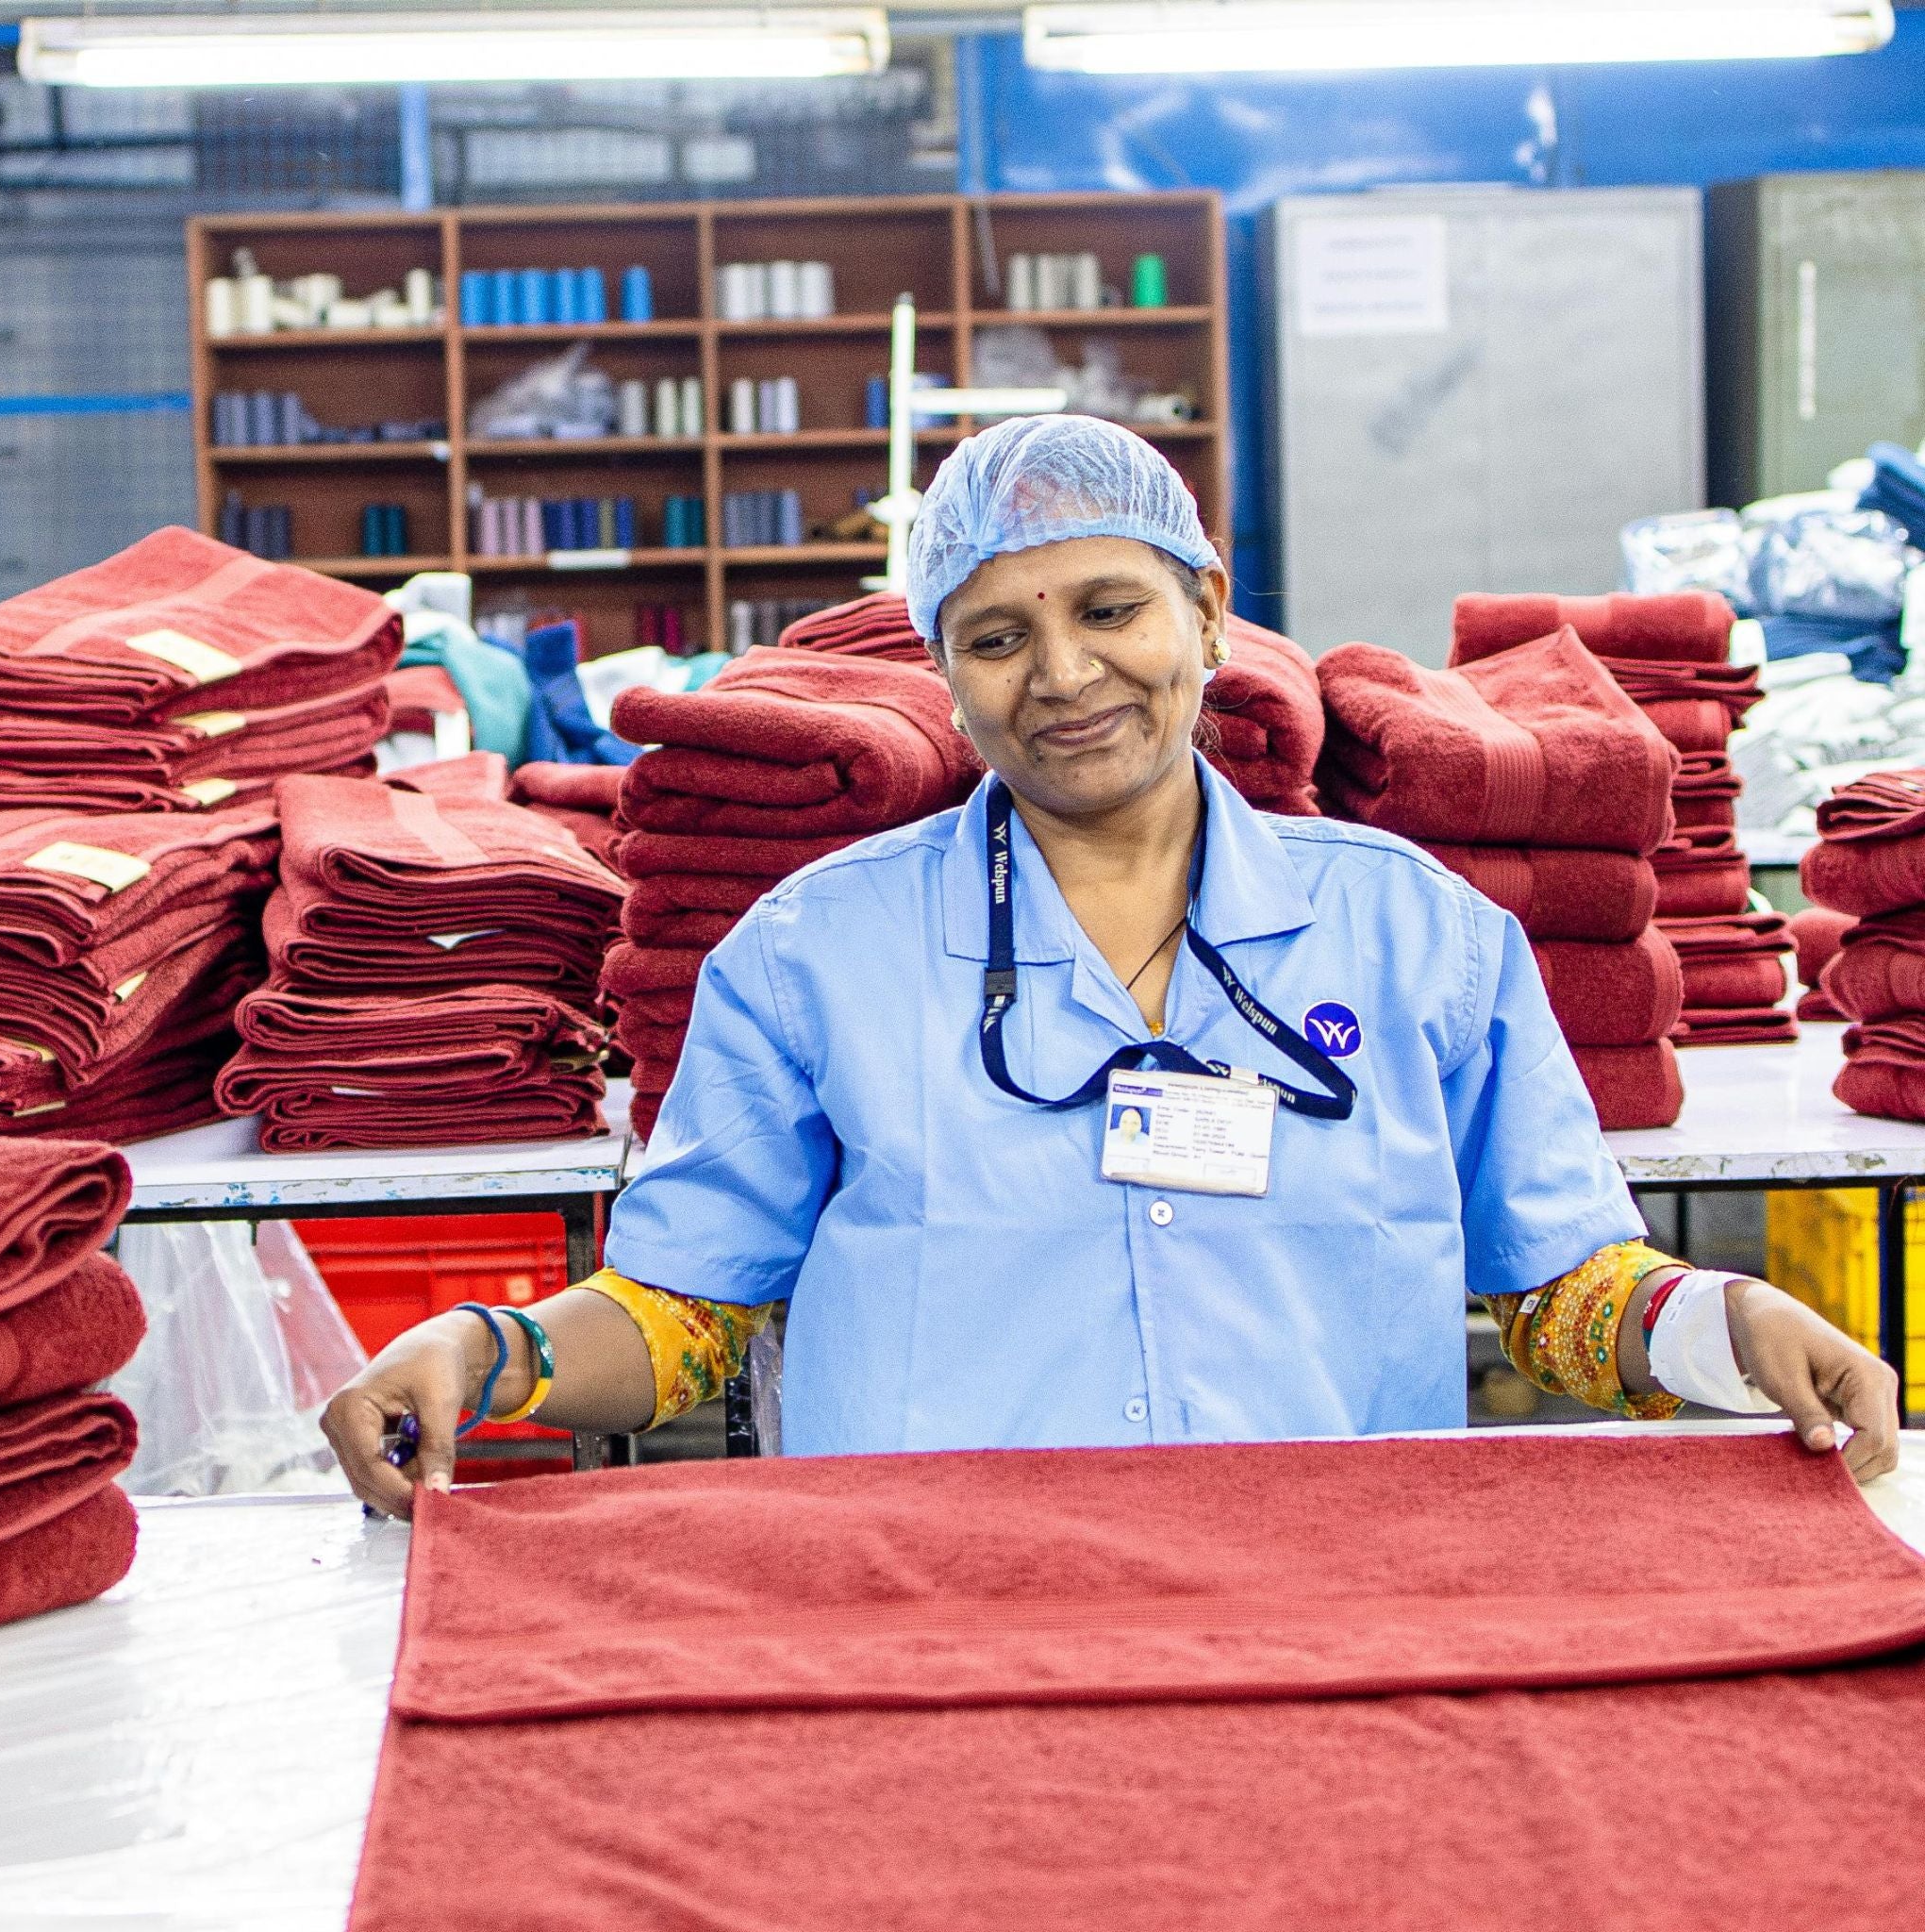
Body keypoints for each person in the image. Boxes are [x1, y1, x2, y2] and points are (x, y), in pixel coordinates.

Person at [324, 415, 1900, 1516]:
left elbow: (1560, 1286)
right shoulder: (816, 958)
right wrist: (492, 1347)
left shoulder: (1423, 939)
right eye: (996, 636)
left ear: (1207, 614)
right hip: (932, 1610)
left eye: (1108, 607)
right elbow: (684, 1314)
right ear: (942, 671)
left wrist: (1723, 1329)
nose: (1064, 674)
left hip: (1331, 1611)